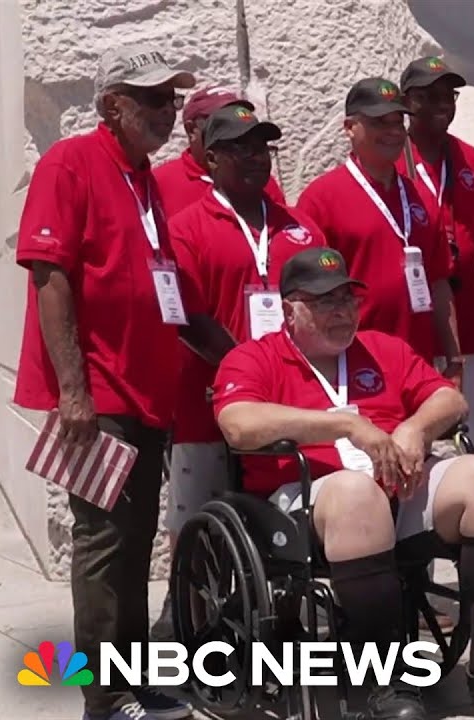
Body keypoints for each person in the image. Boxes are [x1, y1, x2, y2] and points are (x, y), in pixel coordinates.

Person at [212, 248, 474, 719]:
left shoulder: (383, 349)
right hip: (309, 498)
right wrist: (342, 426)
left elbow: (448, 399)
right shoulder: (255, 357)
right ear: (289, 308)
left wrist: (414, 428)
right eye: (324, 302)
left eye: (347, 299)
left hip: (398, 486)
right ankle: (386, 679)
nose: (342, 311)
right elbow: (238, 423)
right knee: (357, 495)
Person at [14, 44, 196, 720]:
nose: (167, 111)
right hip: (101, 393)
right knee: (102, 543)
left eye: (171, 99)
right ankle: (104, 697)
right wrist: (72, 389)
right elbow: (48, 275)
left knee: (135, 537)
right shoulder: (72, 163)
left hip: (147, 391)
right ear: (112, 105)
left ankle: (131, 675)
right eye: (152, 99)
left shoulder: (144, 177)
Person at [166, 104, 326, 544]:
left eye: (262, 147)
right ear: (211, 158)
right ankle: (191, 614)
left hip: (293, 401)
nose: (256, 157)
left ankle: (287, 612)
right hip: (206, 407)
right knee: (199, 532)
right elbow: (188, 317)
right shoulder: (184, 229)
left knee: (290, 525)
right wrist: (248, 371)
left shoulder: (301, 229)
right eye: (241, 148)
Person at [296, 78, 462, 382]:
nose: (393, 132)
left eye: (398, 122)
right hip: (354, 366)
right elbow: (307, 296)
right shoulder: (321, 199)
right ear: (349, 127)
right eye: (379, 123)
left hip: (419, 364)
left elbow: (439, 282)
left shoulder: (421, 197)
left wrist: (453, 359)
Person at [398, 56, 474, 453]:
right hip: (414, 322)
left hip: (468, 315)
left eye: (449, 94)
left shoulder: (472, 161)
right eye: (430, 95)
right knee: (419, 430)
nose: (443, 103)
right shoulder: (393, 160)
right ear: (408, 101)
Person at [154, 85, 287, 212]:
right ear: (191, 130)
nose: (235, 129)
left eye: (238, 118)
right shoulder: (159, 184)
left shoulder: (261, 181)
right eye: (221, 121)